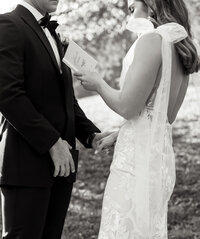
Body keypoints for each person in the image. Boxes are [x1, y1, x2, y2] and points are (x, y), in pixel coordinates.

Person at [74, 0, 200, 238]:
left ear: (151, 4)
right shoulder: (179, 44)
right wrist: (121, 133)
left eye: (132, 7)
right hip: (159, 158)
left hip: (135, 163)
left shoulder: (151, 40)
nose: (128, 13)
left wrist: (98, 83)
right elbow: (164, 116)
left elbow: (127, 106)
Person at [0, 0, 107, 238]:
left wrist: (91, 135)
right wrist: (51, 142)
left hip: (63, 167)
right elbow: (8, 95)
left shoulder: (54, 35)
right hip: (26, 166)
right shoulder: (8, 25)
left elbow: (66, 99)